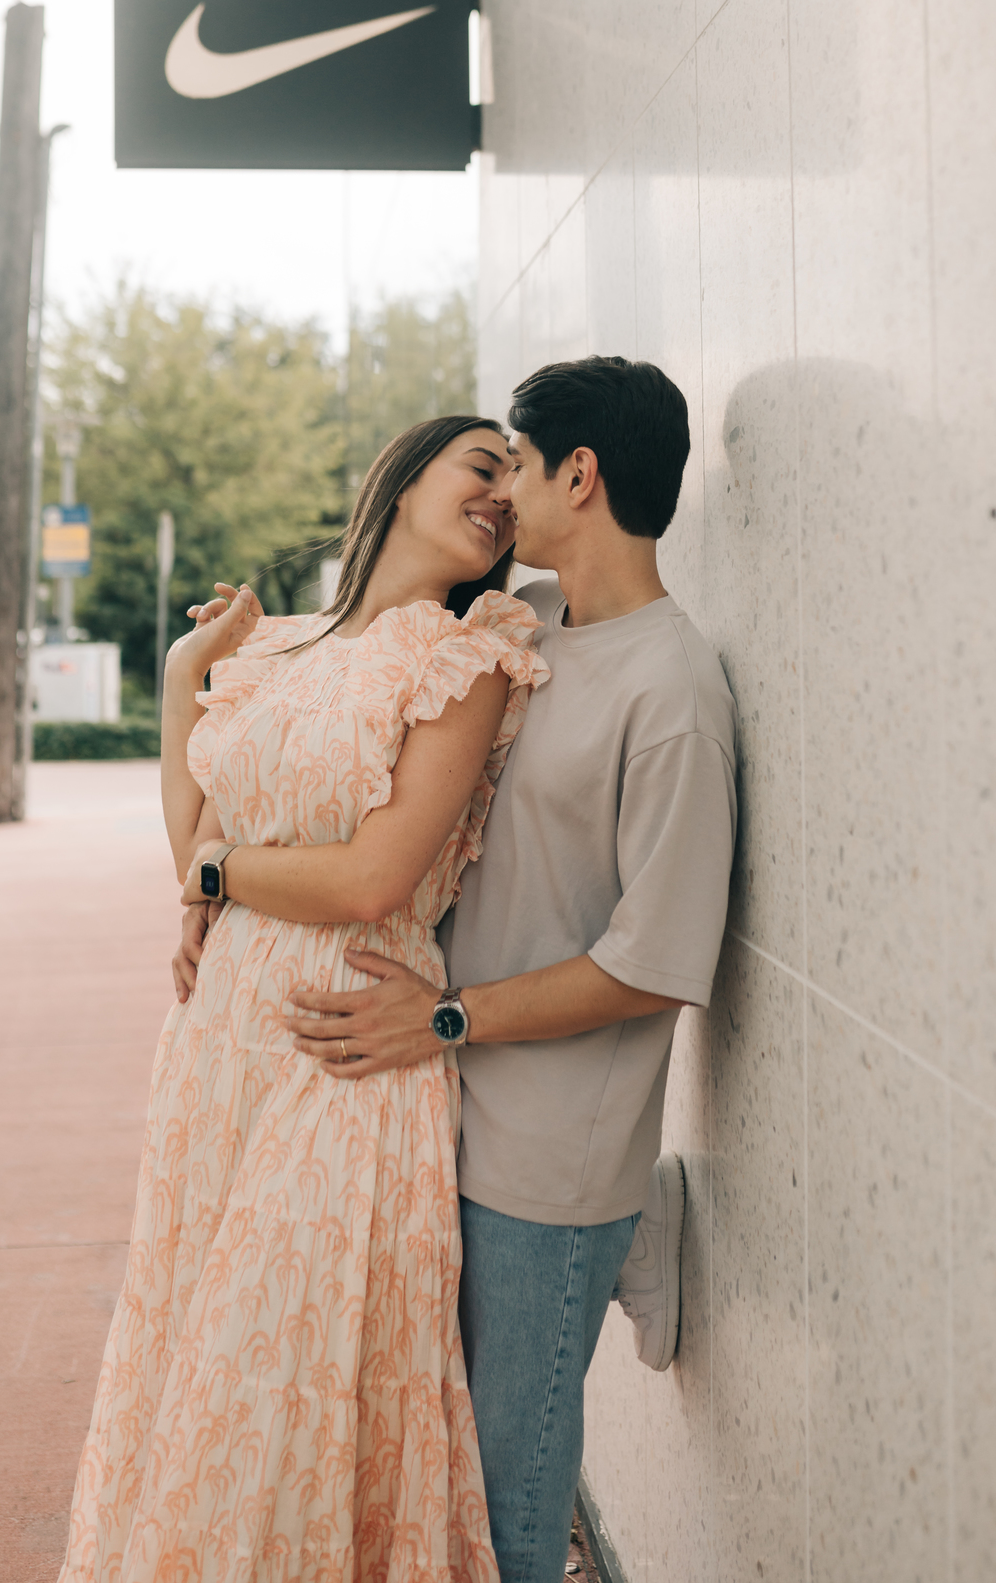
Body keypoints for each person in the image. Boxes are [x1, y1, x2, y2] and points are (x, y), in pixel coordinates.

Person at [58, 415, 551, 1583]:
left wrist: (228, 875)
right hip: (220, 1045)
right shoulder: (277, 649)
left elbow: (373, 874)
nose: (500, 497)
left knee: (279, 1370)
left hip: (348, 1042)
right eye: (482, 465)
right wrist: (189, 673)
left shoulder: (464, 658)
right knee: (200, 1341)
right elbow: (192, 833)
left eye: (514, 484)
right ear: (403, 470)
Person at [277, 357, 738, 1583]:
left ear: (578, 474)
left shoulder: (673, 689)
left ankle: (629, 1215)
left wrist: (436, 1016)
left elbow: (654, 965)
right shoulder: (520, 619)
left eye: (516, 466)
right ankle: (647, 1225)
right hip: (445, 1105)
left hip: (546, 1161)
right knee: (428, 1472)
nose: (502, 495)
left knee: (511, 1505)